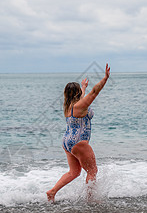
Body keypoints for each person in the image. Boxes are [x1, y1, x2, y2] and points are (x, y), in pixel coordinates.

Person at [46, 63, 110, 202]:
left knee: (74, 172)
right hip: (79, 142)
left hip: (67, 141)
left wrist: (83, 87)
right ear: (77, 94)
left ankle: (52, 192)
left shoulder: (69, 106)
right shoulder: (80, 106)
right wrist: (105, 78)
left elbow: (83, 97)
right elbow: (94, 93)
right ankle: (90, 200)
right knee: (92, 171)